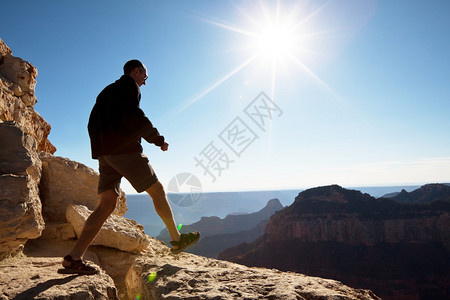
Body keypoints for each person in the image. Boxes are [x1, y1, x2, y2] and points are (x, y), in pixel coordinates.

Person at [58, 59, 200, 275]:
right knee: (157, 189)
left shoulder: (107, 91)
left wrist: (100, 150)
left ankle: (74, 257)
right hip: (124, 151)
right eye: (145, 76)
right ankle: (177, 239)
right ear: (137, 71)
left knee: (106, 204)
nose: (145, 81)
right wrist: (158, 140)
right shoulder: (129, 87)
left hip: (104, 154)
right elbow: (136, 117)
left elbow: (91, 122)